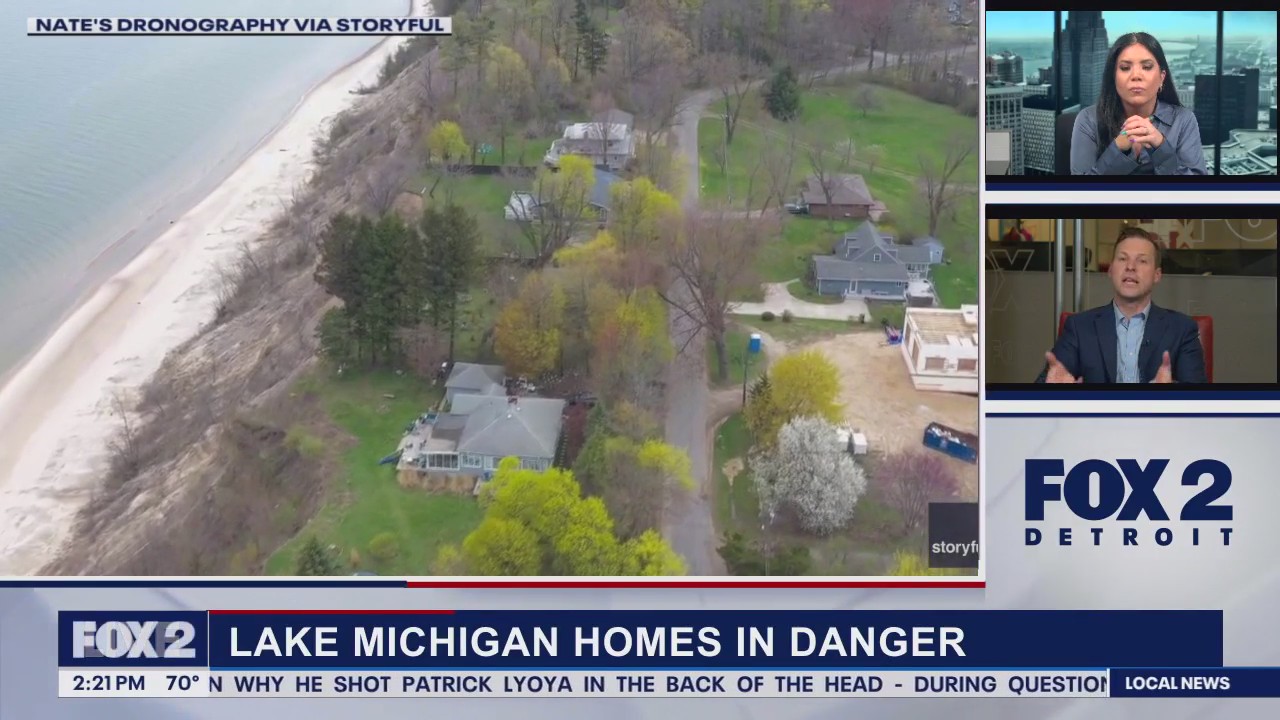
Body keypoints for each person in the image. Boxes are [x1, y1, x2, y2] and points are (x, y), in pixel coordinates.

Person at [1037, 227, 1207, 384]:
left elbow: (1202, 405)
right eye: (1123, 258)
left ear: (1157, 275)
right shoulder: (1079, 327)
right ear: (1110, 270)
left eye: (1142, 261)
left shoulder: (1182, 330)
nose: (1130, 267)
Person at [1069, 33, 1207, 175]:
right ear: (1114, 77)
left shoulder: (1183, 120)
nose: (1136, 76)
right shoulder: (1089, 119)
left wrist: (1161, 146)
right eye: (1125, 68)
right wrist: (1117, 149)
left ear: (1161, 78)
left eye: (1146, 67)